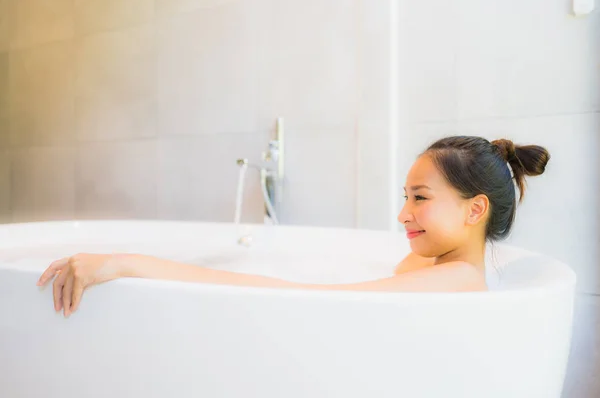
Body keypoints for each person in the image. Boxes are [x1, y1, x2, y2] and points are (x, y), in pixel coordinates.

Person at [37, 136, 550, 317]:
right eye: (404, 198)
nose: (402, 214)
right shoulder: (441, 264)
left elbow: (291, 296)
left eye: (420, 198)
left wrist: (130, 263)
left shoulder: (453, 280)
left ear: (475, 209)